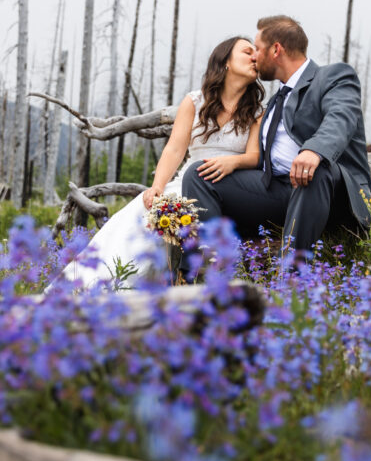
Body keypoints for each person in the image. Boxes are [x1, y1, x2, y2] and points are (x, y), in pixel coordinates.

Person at [57, 36, 264, 287]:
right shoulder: (195, 101)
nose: (255, 56)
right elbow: (175, 149)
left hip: (230, 185)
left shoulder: (256, 110)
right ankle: (90, 285)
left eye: (256, 52)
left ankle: (178, 287)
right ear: (226, 62)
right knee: (143, 213)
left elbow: (253, 157)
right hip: (189, 180)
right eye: (247, 51)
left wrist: (233, 163)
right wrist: (157, 186)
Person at [182, 15, 371, 257]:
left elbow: (341, 117)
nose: (254, 57)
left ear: (276, 49)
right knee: (198, 175)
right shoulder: (275, 101)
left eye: (258, 49)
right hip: (280, 189)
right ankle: (207, 268)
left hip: (330, 193)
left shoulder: (333, 77)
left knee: (313, 171)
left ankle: (291, 277)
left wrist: (314, 150)